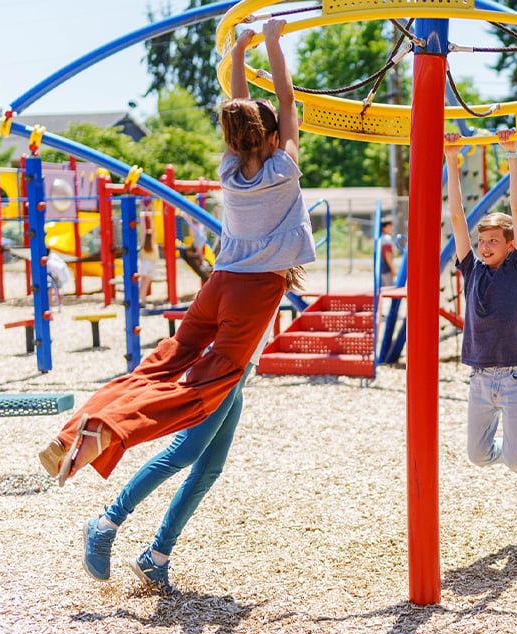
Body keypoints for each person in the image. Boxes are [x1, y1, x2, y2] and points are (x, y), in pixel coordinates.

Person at [37, 19, 314, 486]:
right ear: (271, 137)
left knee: (162, 362)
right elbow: (286, 99)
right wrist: (271, 42)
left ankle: (71, 434)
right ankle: (106, 433)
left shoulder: (230, 170)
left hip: (220, 282)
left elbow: (251, 105)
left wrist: (249, 48)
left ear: (235, 138)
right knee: (203, 387)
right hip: (254, 290)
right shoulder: (282, 168)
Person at [80, 324, 272, 593]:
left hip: (238, 374)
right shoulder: (255, 279)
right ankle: (105, 524)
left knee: (209, 470)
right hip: (221, 367)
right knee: (183, 453)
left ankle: (156, 558)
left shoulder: (276, 283)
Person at [444, 129, 517, 514]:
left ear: (509, 245)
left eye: (494, 240)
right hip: (479, 377)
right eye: (482, 240)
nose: (485, 245)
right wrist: (452, 160)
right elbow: (456, 215)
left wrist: (511, 156)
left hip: (515, 375)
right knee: (477, 455)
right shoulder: (470, 269)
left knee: (513, 460)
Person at [137, 223, 160, 304]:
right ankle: (142, 300)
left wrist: (143, 218)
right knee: (145, 284)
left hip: (144, 264)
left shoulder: (144, 243)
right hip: (151, 264)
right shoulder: (152, 243)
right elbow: (154, 231)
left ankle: (140, 299)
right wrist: (150, 218)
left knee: (142, 283)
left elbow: (142, 230)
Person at [379, 218, 398, 287]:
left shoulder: (379, 238)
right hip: (386, 269)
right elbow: (388, 255)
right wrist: (393, 269)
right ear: (383, 228)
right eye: (389, 227)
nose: (392, 229)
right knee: (389, 289)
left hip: (381, 268)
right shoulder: (386, 238)